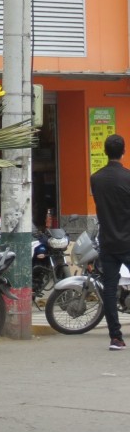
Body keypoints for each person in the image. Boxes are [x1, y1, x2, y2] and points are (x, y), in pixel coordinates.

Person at [89, 134, 130, 351]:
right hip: (128, 241)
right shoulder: (128, 177)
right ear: (123, 152)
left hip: (107, 242)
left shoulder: (96, 179)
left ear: (105, 152)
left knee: (110, 290)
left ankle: (115, 337)